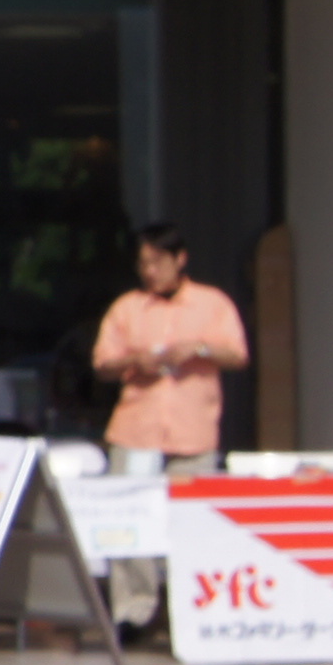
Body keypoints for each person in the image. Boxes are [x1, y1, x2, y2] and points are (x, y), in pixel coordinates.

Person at [86, 223, 247, 638]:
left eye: (157, 262)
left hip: (192, 430)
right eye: (143, 264)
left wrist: (199, 349)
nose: (150, 272)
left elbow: (237, 353)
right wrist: (135, 360)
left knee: (191, 521)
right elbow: (102, 361)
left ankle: (190, 610)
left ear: (180, 259)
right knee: (128, 519)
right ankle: (134, 610)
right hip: (137, 428)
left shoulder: (212, 304)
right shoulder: (128, 308)